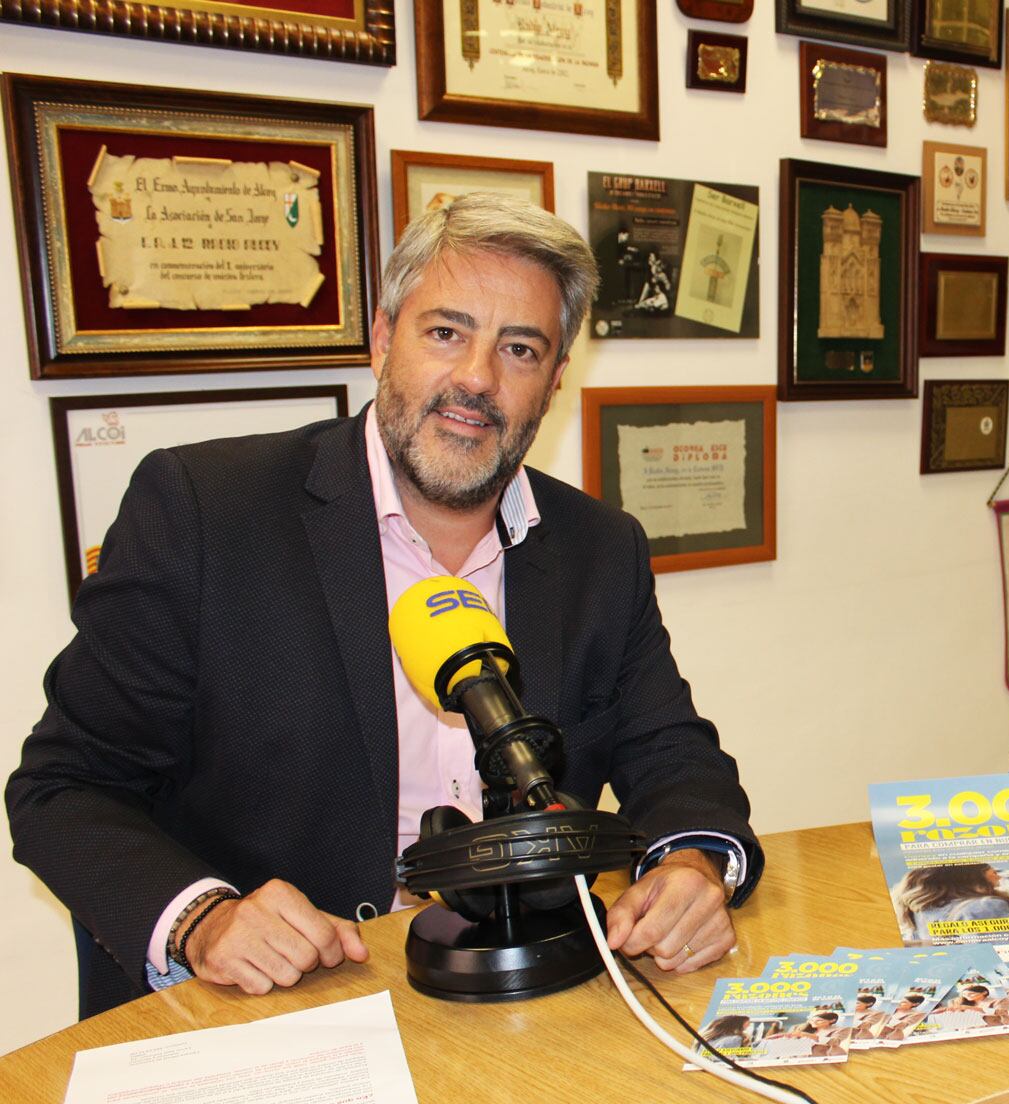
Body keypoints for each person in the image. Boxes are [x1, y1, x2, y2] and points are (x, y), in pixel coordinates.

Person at [7, 193, 764, 1018]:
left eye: (519, 348)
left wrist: (693, 863)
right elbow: (65, 787)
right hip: (276, 1010)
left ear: (552, 382)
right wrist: (204, 918)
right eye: (446, 333)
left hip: (527, 1009)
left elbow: (674, 757)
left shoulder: (598, 547)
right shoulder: (204, 511)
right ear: (380, 340)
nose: (476, 378)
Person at [890, 863, 1009, 944]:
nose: (999, 877)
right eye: (993, 872)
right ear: (970, 876)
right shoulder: (983, 907)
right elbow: (1008, 953)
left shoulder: (919, 911)